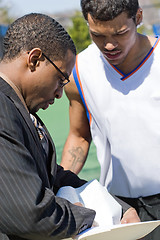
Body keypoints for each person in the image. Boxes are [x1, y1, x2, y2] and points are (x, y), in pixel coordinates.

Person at [61, 0, 160, 239]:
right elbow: (79, 135)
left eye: (120, 33)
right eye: (97, 34)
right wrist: (61, 189)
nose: (109, 44)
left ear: (138, 17)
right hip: (120, 209)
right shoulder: (79, 70)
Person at [0, 13, 97, 240]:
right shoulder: (3, 109)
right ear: (34, 59)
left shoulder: (17, 107)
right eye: (60, 78)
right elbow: (29, 214)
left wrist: (110, 202)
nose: (59, 93)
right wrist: (91, 217)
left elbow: (51, 175)